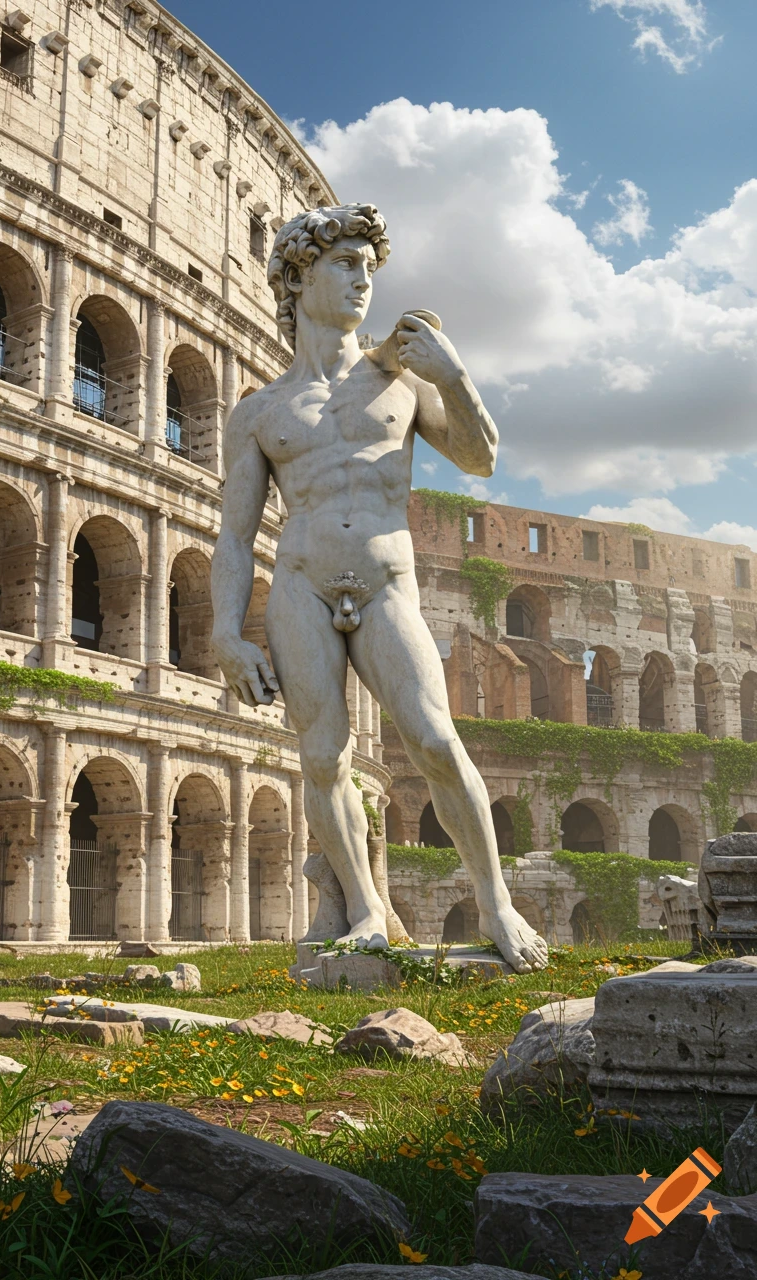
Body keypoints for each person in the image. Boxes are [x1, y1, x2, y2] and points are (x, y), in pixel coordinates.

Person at [210, 203, 548, 973]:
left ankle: (496, 905)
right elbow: (233, 534)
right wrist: (227, 633)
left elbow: (480, 458)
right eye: (346, 264)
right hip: (301, 585)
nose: (365, 279)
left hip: (390, 584)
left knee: (434, 739)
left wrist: (453, 376)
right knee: (322, 757)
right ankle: (364, 911)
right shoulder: (259, 411)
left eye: (371, 266)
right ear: (299, 277)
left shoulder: (399, 378)